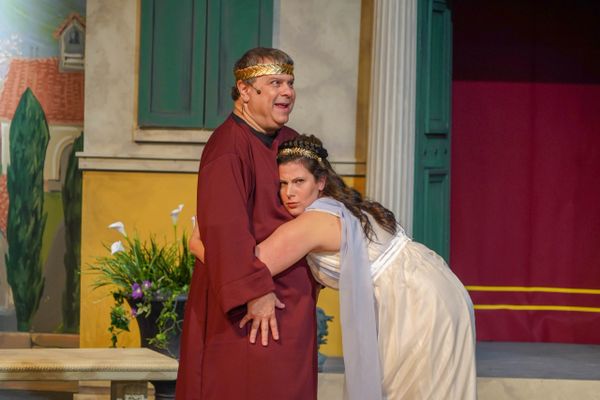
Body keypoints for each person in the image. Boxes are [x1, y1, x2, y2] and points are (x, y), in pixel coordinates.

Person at [191, 134, 477, 400]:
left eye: (299, 182)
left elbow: (246, 266)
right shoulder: (339, 204)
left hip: (418, 303)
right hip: (438, 287)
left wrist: (198, 244)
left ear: (320, 181)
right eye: (282, 184)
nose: (289, 193)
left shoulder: (311, 223)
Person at [176, 48, 318, 400]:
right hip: (248, 310)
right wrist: (255, 292)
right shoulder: (228, 148)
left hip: (291, 305)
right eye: (275, 83)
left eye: (290, 83)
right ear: (244, 90)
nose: (287, 92)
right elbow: (224, 230)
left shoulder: (291, 143)